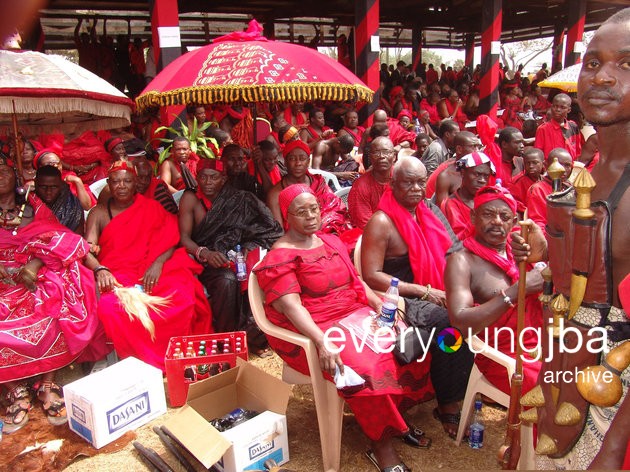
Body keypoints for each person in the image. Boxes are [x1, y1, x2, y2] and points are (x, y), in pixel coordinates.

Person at [511, 9, 630, 467]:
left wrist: (615, 444)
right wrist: (546, 256)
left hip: (614, 401)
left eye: (626, 64)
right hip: (566, 367)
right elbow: (582, 277)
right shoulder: (587, 174)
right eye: (593, 63)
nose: (602, 78)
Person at [254, 184, 435, 471]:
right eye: (302, 212)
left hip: (355, 313)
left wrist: (378, 306)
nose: (312, 216)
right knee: (365, 367)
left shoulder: (331, 242)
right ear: (287, 216)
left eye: (314, 209)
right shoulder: (281, 257)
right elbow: (291, 307)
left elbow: (357, 282)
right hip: (315, 328)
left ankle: (396, 421)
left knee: (408, 345)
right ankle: (381, 445)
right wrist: (322, 340)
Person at [360, 156, 473, 439]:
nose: (416, 188)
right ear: (393, 183)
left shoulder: (430, 209)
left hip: (436, 288)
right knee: (451, 324)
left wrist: (458, 286)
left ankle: (467, 382)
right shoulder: (381, 221)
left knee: (473, 308)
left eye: (421, 182)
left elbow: (454, 250)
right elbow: (371, 275)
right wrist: (424, 291)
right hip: (400, 296)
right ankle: (448, 402)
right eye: (408, 182)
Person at [0, 155, 104, 432]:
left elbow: (59, 239)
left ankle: (47, 385)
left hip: (32, 276)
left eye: (3, 171)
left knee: (58, 301)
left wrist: (33, 265)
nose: (0, 176)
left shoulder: (32, 207)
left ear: (15, 176)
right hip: (2, 283)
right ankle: (15, 391)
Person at [85, 160, 212, 371]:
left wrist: (158, 264)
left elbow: (173, 239)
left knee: (182, 295)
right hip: (118, 276)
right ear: (109, 183)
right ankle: (142, 363)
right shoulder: (98, 213)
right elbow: (87, 250)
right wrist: (100, 269)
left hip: (153, 270)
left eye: (127, 181)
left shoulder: (151, 207)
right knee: (111, 309)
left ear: (135, 183)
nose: (122, 186)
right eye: (116, 182)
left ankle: (178, 355)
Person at [445, 184, 543, 395]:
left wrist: (541, 254)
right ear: (473, 217)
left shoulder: (519, 250)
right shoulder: (461, 261)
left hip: (540, 344)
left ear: (514, 222)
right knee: (551, 390)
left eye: (504, 216)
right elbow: (460, 323)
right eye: (488, 214)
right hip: (501, 355)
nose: (497, 221)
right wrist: (518, 291)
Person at [178, 158, 282, 347]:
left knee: (256, 272)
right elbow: (184, 238)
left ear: (223, 178)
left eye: (213, 177)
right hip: (205, 261)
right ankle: (227, 339)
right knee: (227, 280)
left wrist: (245, 249)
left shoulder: (238, 198)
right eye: (203, 177)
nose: (208, 183)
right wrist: (205, 253)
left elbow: (263, 228)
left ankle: (253, 334)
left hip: (236, 254)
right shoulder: (191, 198)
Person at [267, 140, 351, 235]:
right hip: (296, 242)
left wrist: (322, 228)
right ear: (285, 162)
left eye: (302, 158)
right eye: (292, 159)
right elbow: (279, 232)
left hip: (328, 233)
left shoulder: (319, 182)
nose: (298, 163)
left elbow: (335, 206)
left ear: (308, 161)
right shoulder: (275, 193)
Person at [442, 152, 495, 239]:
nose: (482, 180)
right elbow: (458, 239)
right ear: (463, 173)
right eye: (477, 174)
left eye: (486, 176)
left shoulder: (489, 200)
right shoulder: (451, 205)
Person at [347, 137, 395, 229]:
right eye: (377, 152)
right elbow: (366, 225)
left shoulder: (401, 178)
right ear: (371, 157)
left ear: (394, 157)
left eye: (386, 152)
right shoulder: (360, 187)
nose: (382, 156)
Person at [526, 147, 573, 231]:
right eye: (559, 164)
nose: (562, 170)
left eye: (567, 165)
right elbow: (538, 223)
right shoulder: (538, 189)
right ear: (546, 165)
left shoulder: (570, 188)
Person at [35, 165, 84, 235]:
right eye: (43, 187)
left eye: (54, 187)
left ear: (61, 184)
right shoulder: (29, 203)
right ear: (35, 184)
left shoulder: (73, 206)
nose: (48, 192)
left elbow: (77, 238)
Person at [534, 93, 582, 161]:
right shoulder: (543, 129)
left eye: (562, 107)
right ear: (551, 107)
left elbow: (577, 152)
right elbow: (539, 154)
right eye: (555, 106)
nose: (558, 110)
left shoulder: (573, 127)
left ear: (569, 110)